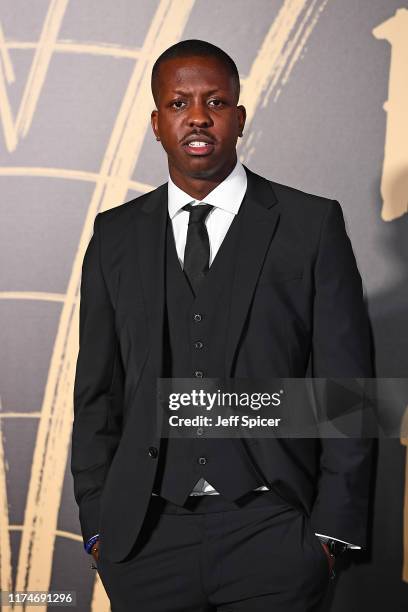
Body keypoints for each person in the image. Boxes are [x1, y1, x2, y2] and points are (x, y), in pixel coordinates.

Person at [71, 39, 374, 611]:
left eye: (215, 100)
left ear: (238, 116)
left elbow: (348, 394)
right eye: (179, 103)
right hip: (145, 539)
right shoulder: (114, 235)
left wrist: (331, 536)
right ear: (157, 123)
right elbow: (96, 396)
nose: (198, 116)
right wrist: (97, 527)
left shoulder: (310, 225)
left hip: (274, 530)